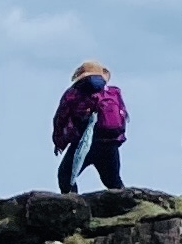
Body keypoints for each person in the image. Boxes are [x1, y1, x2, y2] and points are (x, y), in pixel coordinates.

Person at [52, 62, 127, 194]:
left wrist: (59, 141)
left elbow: (60, 118)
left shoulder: (73, 94)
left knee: (65, 177)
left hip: (84, 144)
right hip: (110, 143)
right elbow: (123, 115)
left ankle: (73, 208)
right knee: (113, 181)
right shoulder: (113, 92)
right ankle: (130, 207)